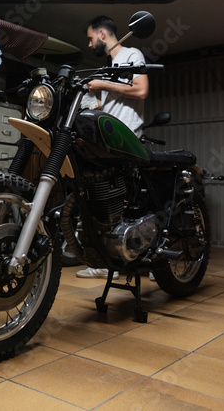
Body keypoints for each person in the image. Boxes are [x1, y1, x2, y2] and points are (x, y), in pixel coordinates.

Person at [76, 15, 149, 279]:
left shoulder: (132, 54)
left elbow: (141, 90)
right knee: (102, 198)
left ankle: (147, 255)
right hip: (109, 140)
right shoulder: (108, 67)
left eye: (90, 37)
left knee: (131, 202)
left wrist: (103, 84)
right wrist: (91, 97)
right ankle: (107, 260)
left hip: (127, 138)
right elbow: (107, 106)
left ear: (102, 34)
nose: (89, 43)